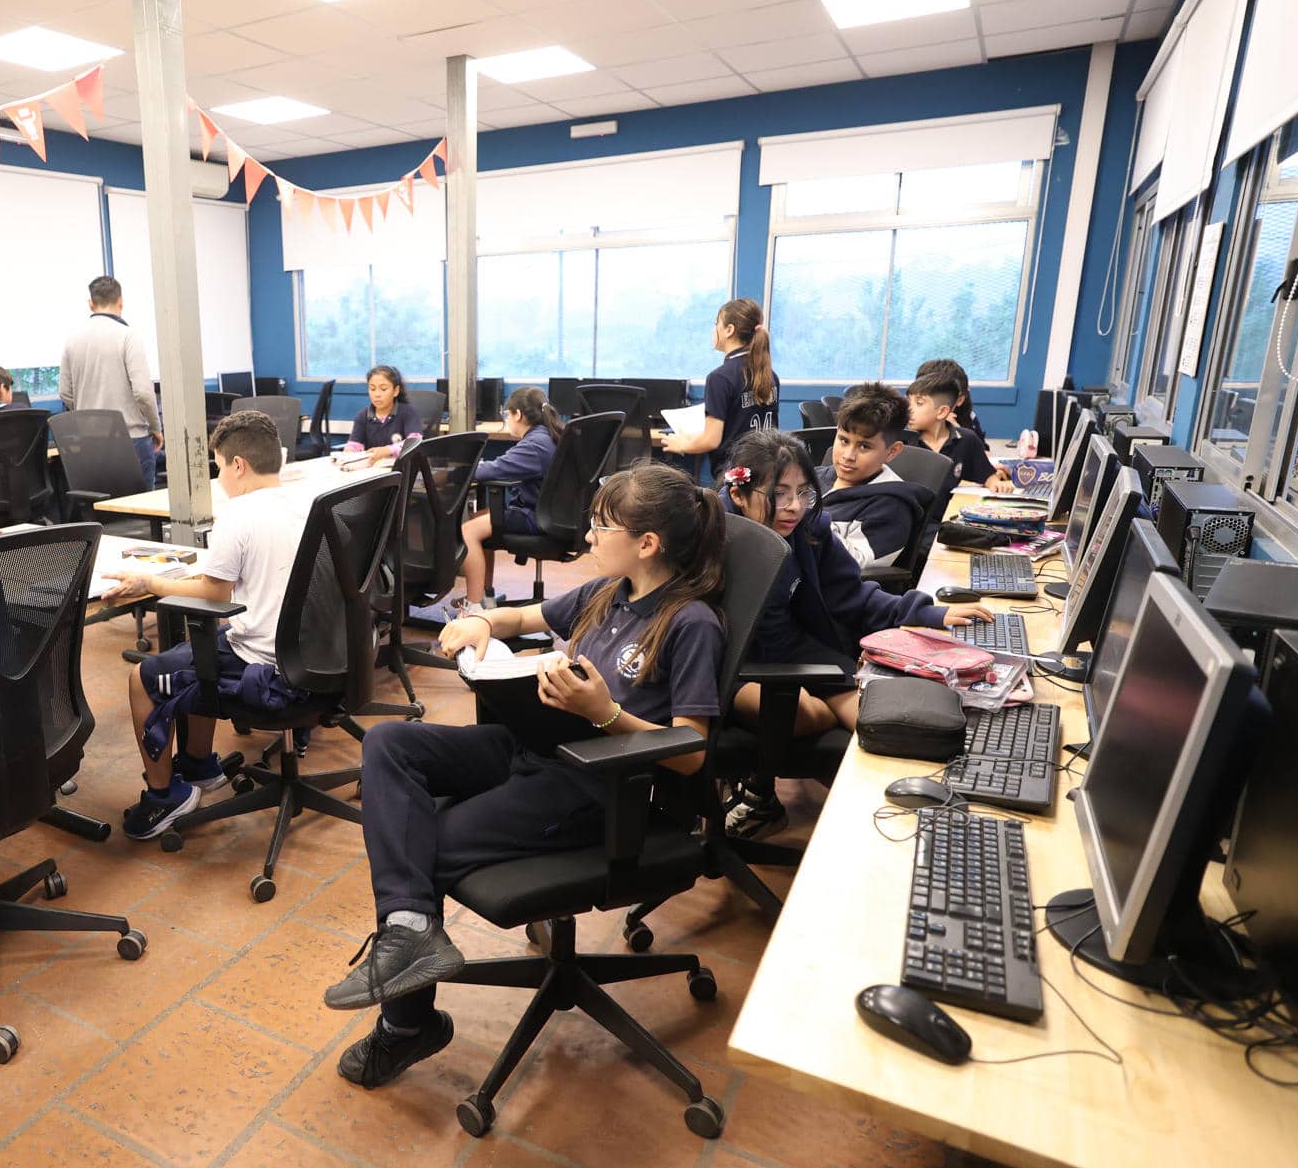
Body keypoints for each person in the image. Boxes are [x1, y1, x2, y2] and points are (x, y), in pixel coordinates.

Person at [319, 463, 728, 1088]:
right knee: (391, 744)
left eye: (602, 526)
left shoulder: (690, 623)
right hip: (537, 746)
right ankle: (409, 931)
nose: (589, 537)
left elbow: (692, 753)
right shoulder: (605, 594)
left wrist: (606, 712)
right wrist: (482, 621)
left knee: (422, 845)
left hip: (603, 785)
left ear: (648, 543)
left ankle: (406, 1025)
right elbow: (518, 619)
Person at [719, 430, 992, 838]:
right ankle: (769, 795)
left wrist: (929, 613)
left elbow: (851, 592)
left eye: (803, 492)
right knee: (832, 718)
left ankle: (952, 825)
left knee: (890, 726)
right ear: (740, 493)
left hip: (794, 655)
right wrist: (841, 674)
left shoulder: (808, 528)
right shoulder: (717, 540)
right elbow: (761, 640)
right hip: (732, 669)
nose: (794, 506)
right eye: (779, 494)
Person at [99, 411, 307, 841]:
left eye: (218, 467)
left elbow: (214, 592)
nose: (219, 478)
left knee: (144, 677)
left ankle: (163, 798)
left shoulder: (240, 513)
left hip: (265, 664)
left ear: (238, 465)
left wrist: (148, 582)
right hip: (312, 655)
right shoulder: (305, 504)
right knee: (204, 647)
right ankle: (197, 766)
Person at [452, 386, 561, 615]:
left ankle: (474, 609)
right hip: (548, 513)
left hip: (536, 517)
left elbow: (492, 470)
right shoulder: (545, 436)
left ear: (518, 415)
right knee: (478, 520)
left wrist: (456, 471)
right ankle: (486, 595)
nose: (508, 420)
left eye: (508, 414)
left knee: (467, 532)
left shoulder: (534, 445)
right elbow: (502, 466)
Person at [60, 276, 164, 489]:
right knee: (143, 512)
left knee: (101, 510)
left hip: (89, 442)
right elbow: (143, 393)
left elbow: (65, 394)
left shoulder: (72, 340)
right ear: (121, 302)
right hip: (131, 439)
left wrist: (89, 418)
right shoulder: (128, 336)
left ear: (91, 303)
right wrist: (155, 427)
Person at [662, 298, 779, 484]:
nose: (714, 329)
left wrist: (682, 444)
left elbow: (711, 440)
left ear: (729, 330)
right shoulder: (769, 375)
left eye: (717, 323)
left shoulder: (720, 378)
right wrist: (694, 437)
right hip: (765, 473)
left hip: (735, 478)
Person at [818, 384, 925, 569]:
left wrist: (806, 520)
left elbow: (855, 562)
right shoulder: (814, 477)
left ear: (892, 451)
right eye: (843, 440)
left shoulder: (891, 506)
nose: (848, 455)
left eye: (864, 446)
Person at [907, 362, 1013, 492]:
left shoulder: (967, 439)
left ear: (941, 412)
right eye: (908, 402)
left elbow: (987, 476)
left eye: (919, 403)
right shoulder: (901, 440)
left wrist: (996, 483)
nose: (908, 409)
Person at [341, 365, 423, 462]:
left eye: (383, 389)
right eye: (372, 389)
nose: (377, 394)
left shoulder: (408, 412)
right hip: (373, 470)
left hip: (401, 470)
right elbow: (354, 443)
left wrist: (388, 450)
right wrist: (349, 452)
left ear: (395, 391)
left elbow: (414, 441)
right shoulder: (362, 415)